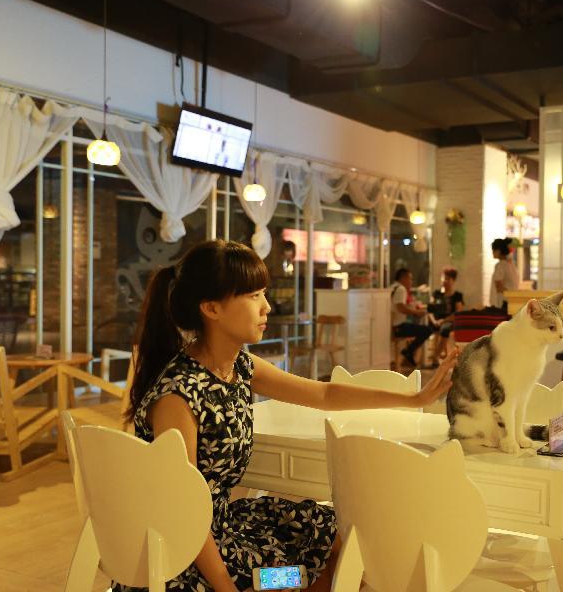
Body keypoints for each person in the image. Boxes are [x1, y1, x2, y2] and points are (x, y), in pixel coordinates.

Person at [120, 240, 457, 592]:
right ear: (211, 308)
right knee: (288, 577)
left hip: (224, 529)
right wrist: (225, 586)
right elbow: (181, 507)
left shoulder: (238, 367)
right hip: (187, 553)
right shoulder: (178, 395)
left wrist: (414, 397)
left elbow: (325, 393)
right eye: (252, 296)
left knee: (347, 535)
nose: (266, 307)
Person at [390, 268, 433, 367]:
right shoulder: (401, 289)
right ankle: (408, 352)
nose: (411, 282)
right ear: (403, 278)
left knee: (420, 328)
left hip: (393, 325)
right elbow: (400, 307)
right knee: (427, 330)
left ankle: (408, 353)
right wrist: (416, 312)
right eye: (410, 279)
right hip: (399, 327)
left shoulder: (393, 287)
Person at [429, 267, 464, 360]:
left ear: (453, 280)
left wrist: (443, 321)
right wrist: (434, 320)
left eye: (448, 279)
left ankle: (436, 357)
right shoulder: (436, 294)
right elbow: (430, 310)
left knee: (445, 329)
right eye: (443, 278)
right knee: (425, 329)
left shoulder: (457, 296)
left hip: (449, 320)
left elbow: (458, 313)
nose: (445, 281)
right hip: (435, 321)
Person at [490, 238, 520, 313]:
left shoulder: (500, 265)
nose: (492, 252)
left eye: (493, 250)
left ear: (498, 251)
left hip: (503, 303)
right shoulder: (512, 264)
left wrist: (510, 294)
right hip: (511, 302)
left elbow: (498, 286)